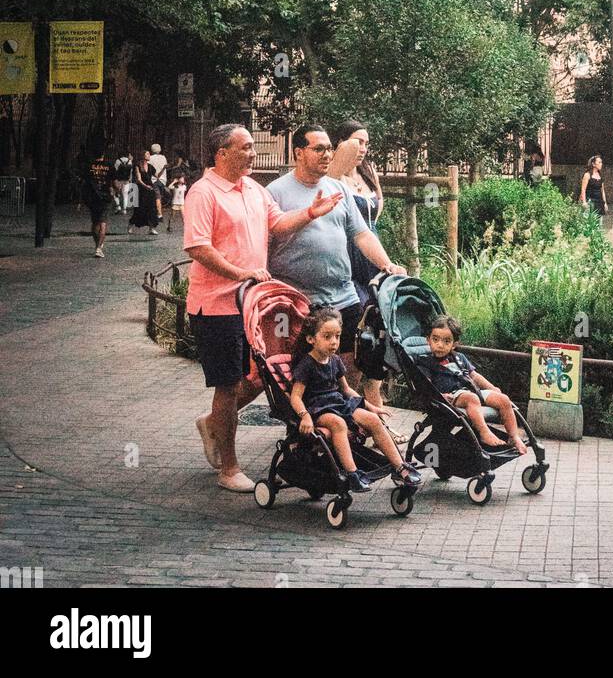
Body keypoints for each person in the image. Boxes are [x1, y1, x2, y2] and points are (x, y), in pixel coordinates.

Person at [183, 122, 344, 493]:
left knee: (248, 380)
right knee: (227, 387)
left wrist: (311, 213)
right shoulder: (203, 192)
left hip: (251, 304)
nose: (253, 153)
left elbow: (278, 223)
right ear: (222, 153)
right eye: (246, 147)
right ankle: (229, 468)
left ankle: (212, 426)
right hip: (216, 305)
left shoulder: (253, 190)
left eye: (253, 147)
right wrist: (242, 273)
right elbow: (197, 248)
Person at [267, 125, 406, 389]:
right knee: (297, 371)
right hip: (298, 300)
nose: (327, 154)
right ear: (298, 152)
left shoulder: (337, 189)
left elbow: (362, 235)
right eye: (318, 148)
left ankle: (346, 415)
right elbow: (264, 243)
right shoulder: (276, 192)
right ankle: (305, 425)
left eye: (329, 148)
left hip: (343, 294)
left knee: (350, 362)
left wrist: (387, 264)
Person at [289, 307, 421, 492]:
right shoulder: (307, 365)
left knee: (374, 420)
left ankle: (400, 467)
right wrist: (304, 416)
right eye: (327, 337)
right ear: (311, 339)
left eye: (337, 336)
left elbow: (346, 389)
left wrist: (370, 407)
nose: (334, 342)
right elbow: (295, 396)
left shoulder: (334, 360)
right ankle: (352, 473)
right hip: (318, 408)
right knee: (338, 424)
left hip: (338, 403)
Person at [329, 120, 391, 413]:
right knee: (355, 333)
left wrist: (386, 261)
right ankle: (346, 403)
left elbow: (374, 220)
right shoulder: (334, 175)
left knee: (378, 329)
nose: (363, 149)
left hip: (372, 249)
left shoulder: (368, 172)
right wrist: (345, 152)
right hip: (348, 253)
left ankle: (373, 402)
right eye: (357, 142)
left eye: (367, 143)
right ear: (341, 143)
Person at [416, 315, 527, 455]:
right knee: (471, 398)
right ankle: (484, 433)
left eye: (446, 341)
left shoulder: (459, 358)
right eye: (435, 339)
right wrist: (439, 396)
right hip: (451, 396)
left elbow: (474, 376)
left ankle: (513, 436)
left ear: (454, 344)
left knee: (504, 399)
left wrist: (492, 388)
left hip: (472, 390)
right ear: (428, 340)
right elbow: (426, 384)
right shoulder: (425, 362)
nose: (440, 345)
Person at [80, 144, 114, 258]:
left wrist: (81, 200)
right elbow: (113, 181)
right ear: (103, 155)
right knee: (103, 222)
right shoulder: (109, 166)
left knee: (95, 222)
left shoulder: (89, 166)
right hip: (105, 197)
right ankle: (99, 248)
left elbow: (84, 182)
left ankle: (97, 245)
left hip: (93, 197)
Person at [130, 149, 160, 235]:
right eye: (147, 154)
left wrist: (165, 168)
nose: (149, 155)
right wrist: (146, 186)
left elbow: (157, 176)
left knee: (152, 209)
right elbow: (138, 180)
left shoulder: (150, 167)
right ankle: (131, 224)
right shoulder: (137, 165)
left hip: (150, 190)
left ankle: (152, 228)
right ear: (143, 155)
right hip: (142, 190)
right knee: (140, 209)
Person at [149, 142, 168, 219]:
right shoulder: (163, 157)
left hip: (154, 180)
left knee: (157, 197)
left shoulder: (150, 158)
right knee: (160, 196)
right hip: (163, 180)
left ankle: (159, 214)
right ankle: (158, 211)